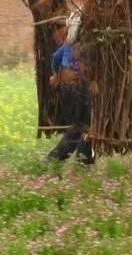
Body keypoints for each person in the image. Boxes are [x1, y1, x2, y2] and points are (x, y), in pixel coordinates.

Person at [46, 14, 95, 165]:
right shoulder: (81, 45)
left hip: (70, 89)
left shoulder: (68, 45)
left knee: (86, 124)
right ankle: (55, 159)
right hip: (78, 89)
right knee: (82, 125)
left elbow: (55, 58)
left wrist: (55, 76)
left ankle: (84, 160)